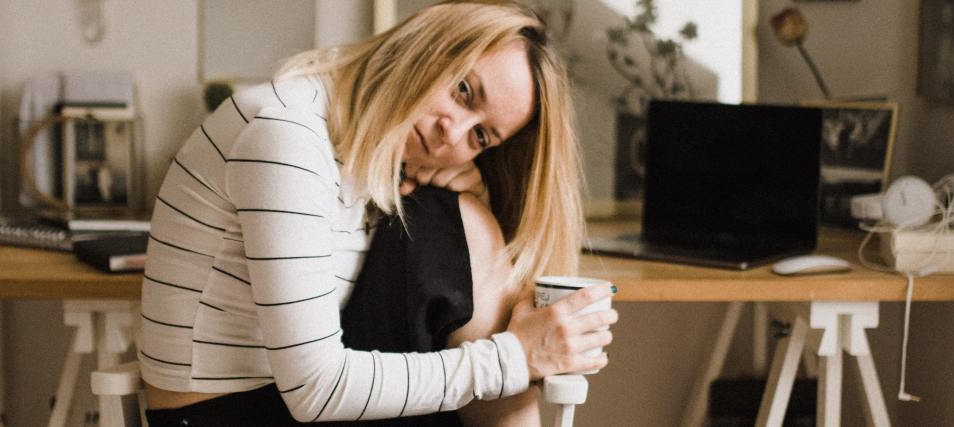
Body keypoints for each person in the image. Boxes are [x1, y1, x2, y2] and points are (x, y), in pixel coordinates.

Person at [138, 2, 617, 425]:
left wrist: (475, 197)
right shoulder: (286, 136)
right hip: (227, 415)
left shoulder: (367, 157)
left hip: (283, 406)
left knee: (458, 223)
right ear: (428, 43)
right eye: (465, 92)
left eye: (481, 138)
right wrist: (515, 356)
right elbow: (316, 390)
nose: (454, 135)